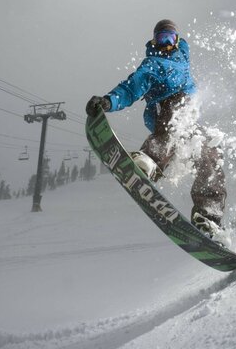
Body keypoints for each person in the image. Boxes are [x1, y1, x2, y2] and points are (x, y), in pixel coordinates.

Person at [86, 19, 227, 244]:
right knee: (177, 108)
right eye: (161, 39)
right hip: (166, 116)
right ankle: (150, 160)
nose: (165, 44)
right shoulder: (152, 63)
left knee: (211, 151)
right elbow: (129, 88)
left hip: (187, 126)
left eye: (169, 39)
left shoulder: (184, 58)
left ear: (177, 40)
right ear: (154, 41)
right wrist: (107, 101)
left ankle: (209, 217)